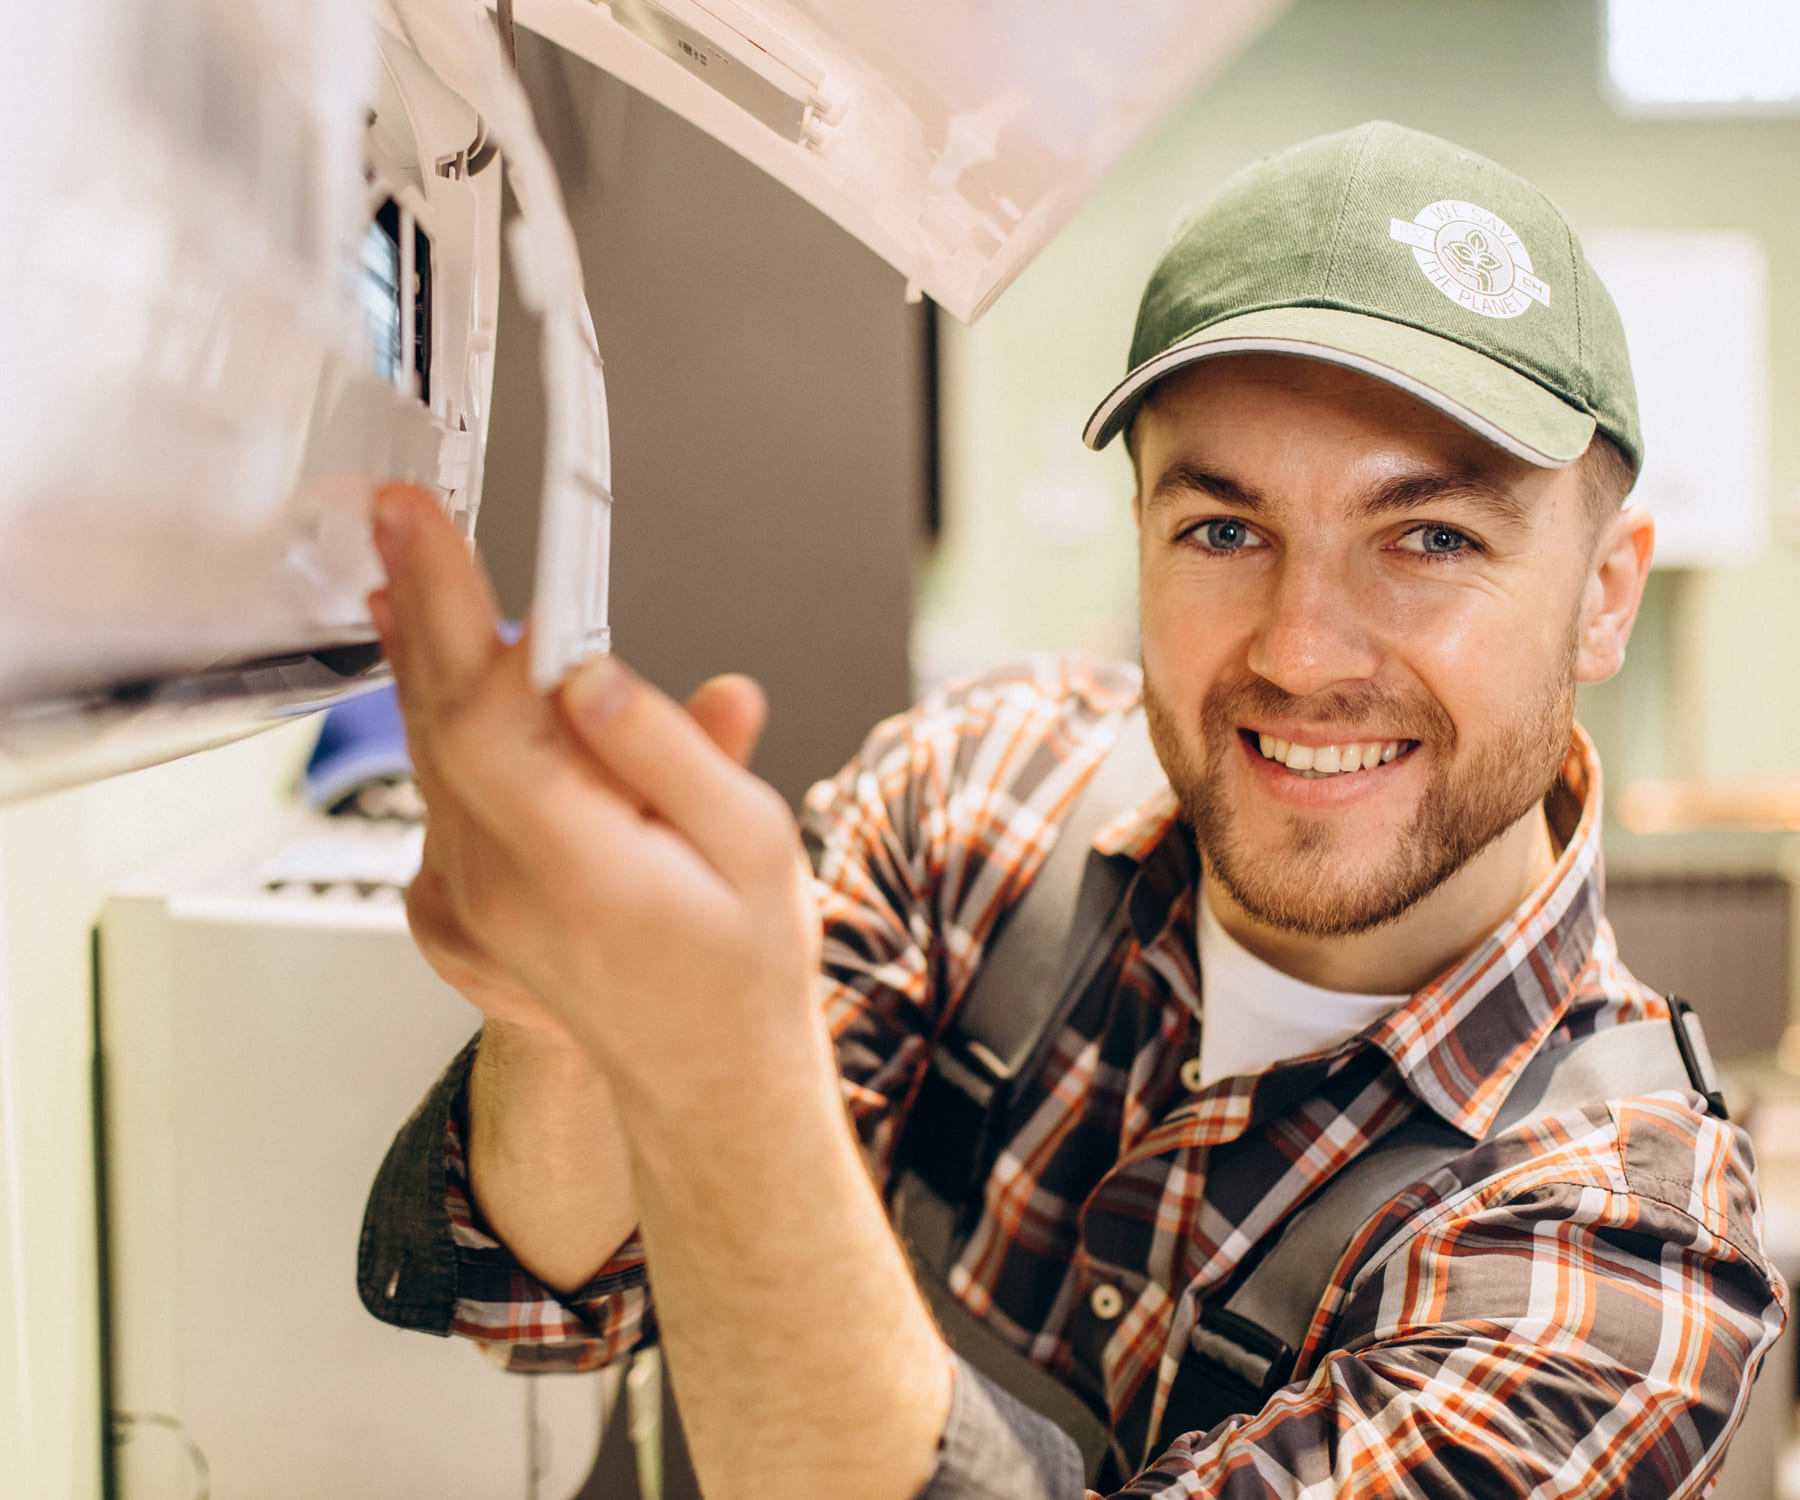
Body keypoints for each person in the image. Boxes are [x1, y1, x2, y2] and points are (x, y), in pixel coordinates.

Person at [357, 122, 1786, 1499]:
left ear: (1605, 593)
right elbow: (549, 1288)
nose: (1299, 651)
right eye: (1223, 531)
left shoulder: (1619, 1262)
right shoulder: (983, 797)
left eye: (1431, 539)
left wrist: (721, 1070)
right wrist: (566, 1019)